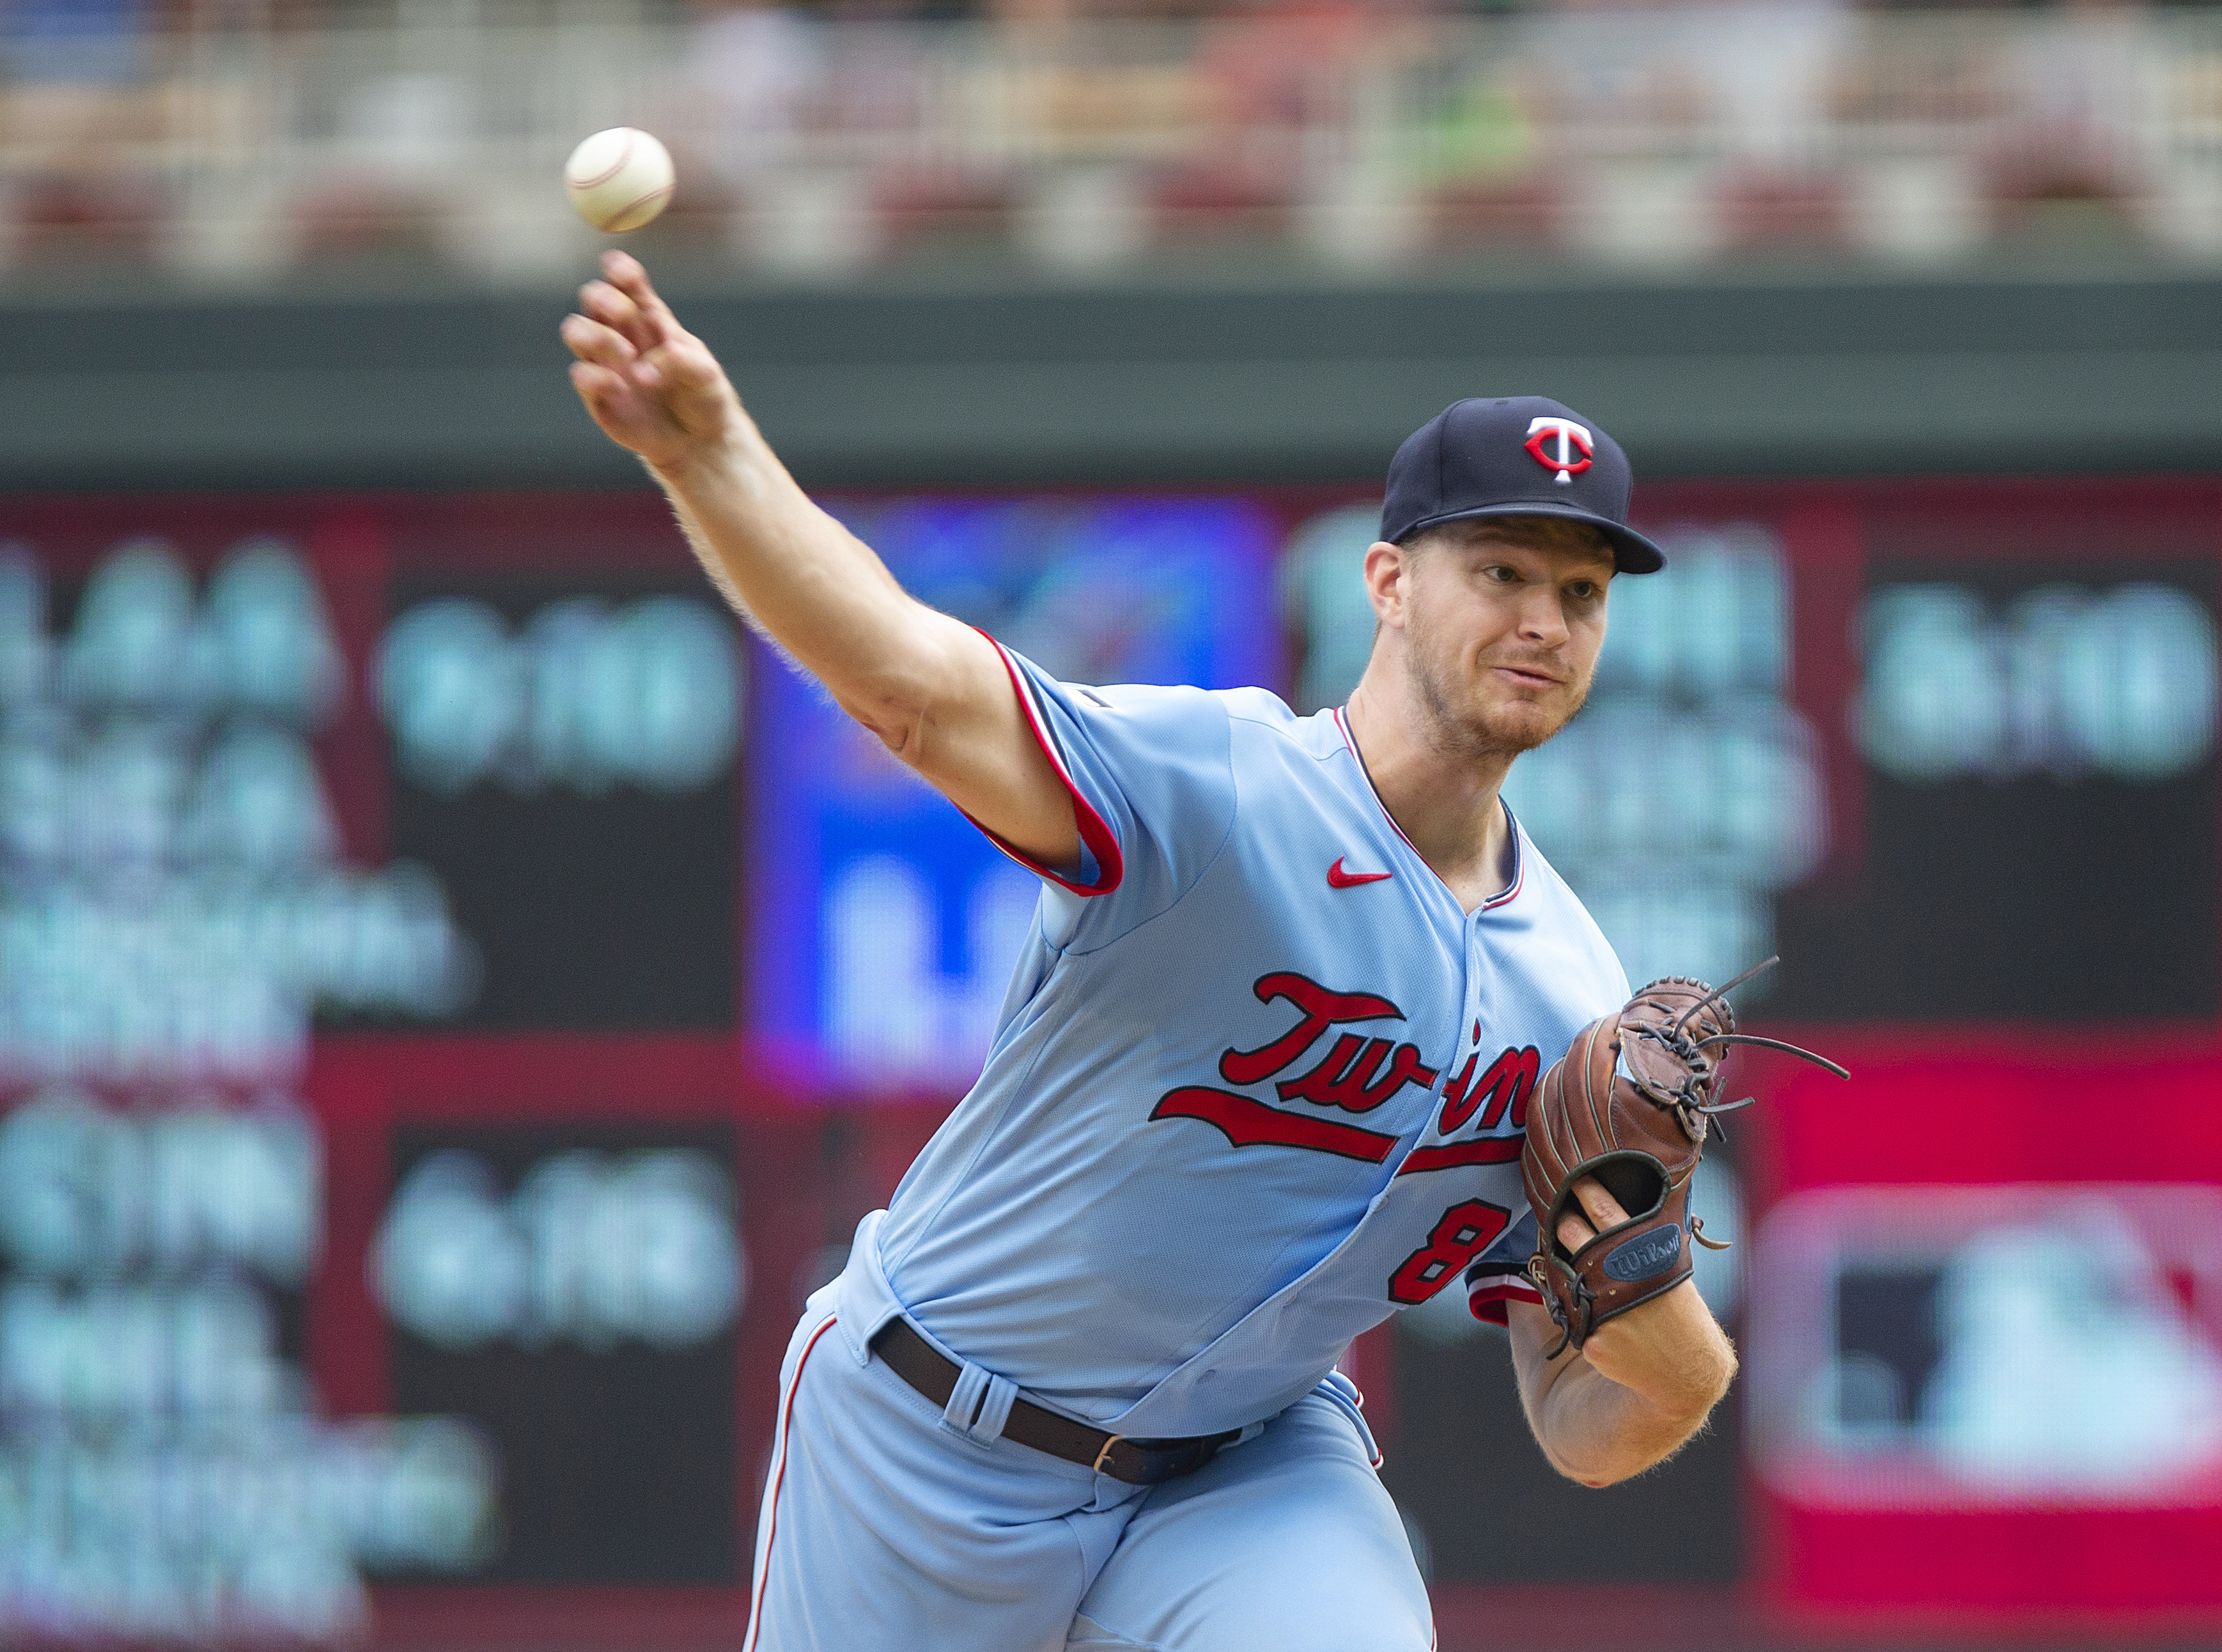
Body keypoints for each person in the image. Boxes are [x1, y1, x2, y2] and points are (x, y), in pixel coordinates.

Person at [561, 249, 1739, 1652]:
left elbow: (1583, 1428)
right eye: (1499, 569)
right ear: (1387, 582)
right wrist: (712, 459)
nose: (1544, 619)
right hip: (926, 1436)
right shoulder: (1222, 791)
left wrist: (1667, 1324)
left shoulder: (1570, 991)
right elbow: (912, 690)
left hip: (1248, 1471)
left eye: (1583, 590)